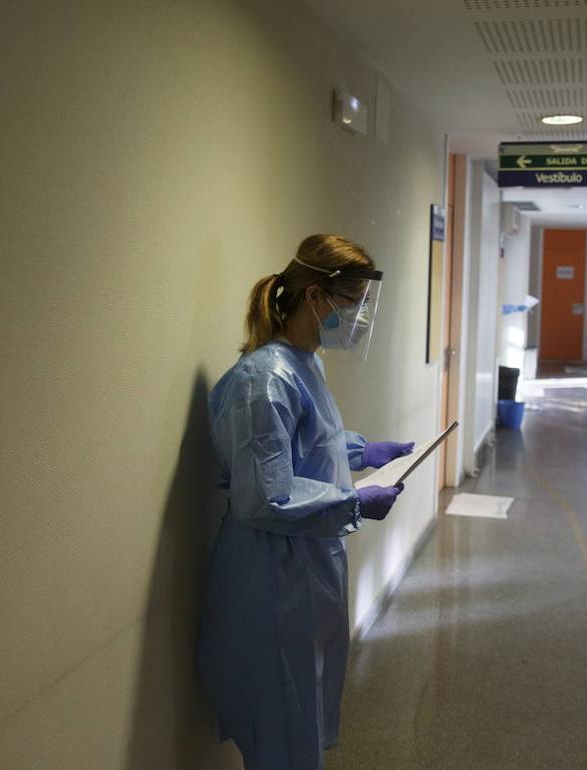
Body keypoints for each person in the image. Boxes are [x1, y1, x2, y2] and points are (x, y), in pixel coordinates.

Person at [198, 234, 414, 770]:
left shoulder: (303, 362)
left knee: (301, 715)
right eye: (353, 302)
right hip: (272, 575)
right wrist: (353, 503)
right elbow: (265, 493)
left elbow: (304, 445)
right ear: (317, 297)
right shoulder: (263, 381)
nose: (360, 316)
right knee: (281, 724)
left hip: (305, 565)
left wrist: (363, 451)